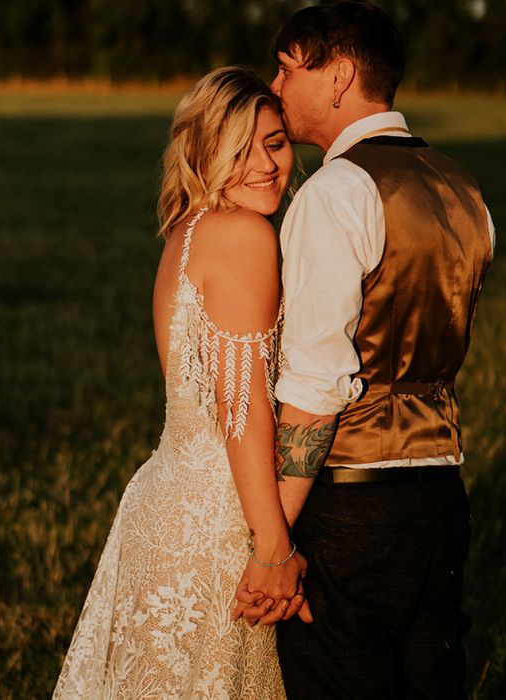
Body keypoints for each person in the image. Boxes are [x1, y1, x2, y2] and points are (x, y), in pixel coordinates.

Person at [235, 2, 495, 698]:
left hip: (354, 503)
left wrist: (272, 549)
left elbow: (316, 387)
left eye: (289, 67)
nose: (277, 85)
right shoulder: (463, 189)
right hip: (442, 495)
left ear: (340, 74)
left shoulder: (335, 193)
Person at [52, 66, 310, 699]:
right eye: (239, 149)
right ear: (204, 152)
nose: (264, 165)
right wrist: (274, 550)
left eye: (274, 143)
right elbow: (242, 413)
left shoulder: (187, 231)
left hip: (161, 505)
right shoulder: (246, 236)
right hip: (214, 525)